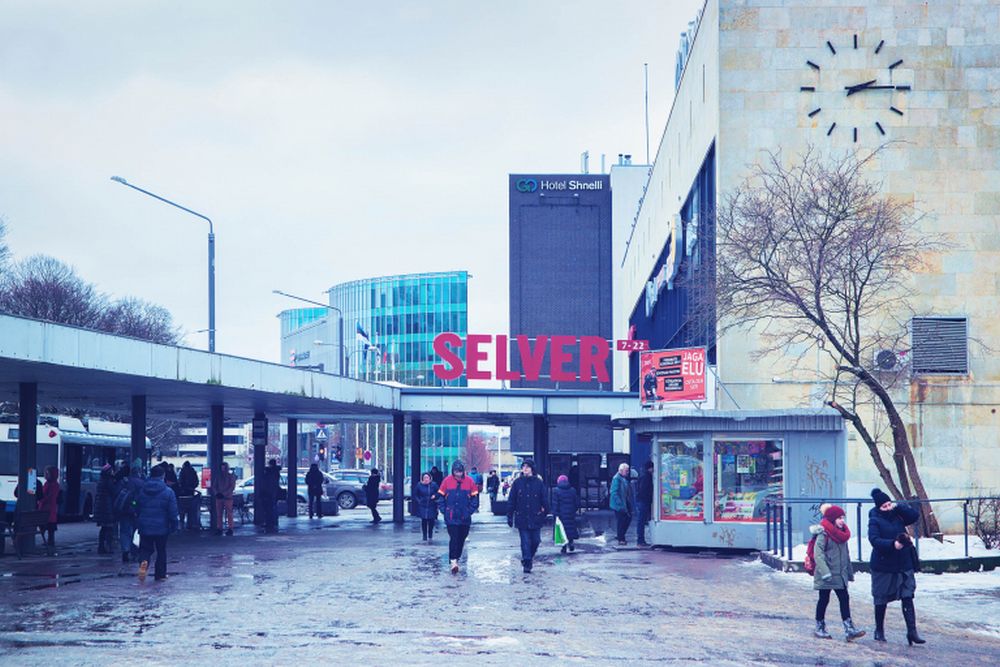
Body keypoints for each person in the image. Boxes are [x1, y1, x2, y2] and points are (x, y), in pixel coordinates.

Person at [868, 488, 924, 645]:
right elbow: (874, 540)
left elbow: (914, 516)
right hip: (884, 565)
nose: (887, 508)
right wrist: (893, 544)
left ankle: (912, 632)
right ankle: (879, 630)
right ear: (878, 508)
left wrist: (898, 506)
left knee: (907, 595)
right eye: (884, 506)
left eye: (888, 504)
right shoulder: (874, 520)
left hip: (903, 563)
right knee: (881, 599)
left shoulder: (897, 514)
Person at [810, 505, 865, 641]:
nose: (842, 521)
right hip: (826, 574)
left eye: (843, 518)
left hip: (840, 573)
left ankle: (849, 628)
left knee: (844, 598)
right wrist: (825, 572)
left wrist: (849, 572)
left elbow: (845, 555)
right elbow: (818, 554)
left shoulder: (842, 534)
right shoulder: (823, 533)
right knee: (824, 599)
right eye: (839, 518)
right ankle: (820, 626)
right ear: (832, 519)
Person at [435, 461, 479, 574]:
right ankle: (453, 560)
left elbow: (475, 497)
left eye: (460, 472)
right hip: (451, 515)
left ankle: (456, 558)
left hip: (465, 516)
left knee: (462, 538)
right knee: (454, 538)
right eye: (456, 472)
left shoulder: (470, 481)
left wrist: (469, 511)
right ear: (453, 471)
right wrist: (444, 510)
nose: (458, 474)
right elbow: (440, 496)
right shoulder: (447, 481)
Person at [135, 465, 178, 581]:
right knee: (161, 550)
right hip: (162, 527)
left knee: (145, 549)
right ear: (163, 476)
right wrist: (174, 525)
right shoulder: (168, 492)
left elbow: (136, 505)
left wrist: (138, 519)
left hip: (144, 526)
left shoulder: (142, 490)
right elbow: (173, 512)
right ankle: (160, 575)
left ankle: (144, 562)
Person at [507, 459, 548, 573]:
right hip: (522, 517)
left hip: (535, 517)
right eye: (523, 466)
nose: (525, 469)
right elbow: (512, 500)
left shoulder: (538, 483)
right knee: (525, 541)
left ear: (532, 469)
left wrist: (545, 512)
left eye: (527, 467)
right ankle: (527, 562)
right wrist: (509, 515)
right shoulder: (517, 483)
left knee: (536, 540)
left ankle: (528, 557)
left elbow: (544, 498)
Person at [114, 464, 143, 563]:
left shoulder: (124, 482)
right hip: (135, 511)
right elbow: (141, 499)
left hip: (124, 510)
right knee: (136, 532)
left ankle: (125, 551)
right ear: (139, 472)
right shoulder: (141, 483)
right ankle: (134, 552)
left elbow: (117, 494)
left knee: (124, 531)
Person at [550, 474, 579, 555]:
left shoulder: (556, 491)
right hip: (570, 513)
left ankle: (564, 547)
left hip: (561, 514)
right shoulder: (572, 490)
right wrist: (574, 510)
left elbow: (555, 504)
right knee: (570, 528)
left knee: (562, 530)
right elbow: (576, 502)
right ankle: (571, 542)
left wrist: (555, 513)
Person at [609, 462, 634, 546]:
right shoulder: (617, 479)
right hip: (619, 504)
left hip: (624, 502)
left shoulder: (622, 478)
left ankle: (621, 535)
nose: (627, 472)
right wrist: (619, 503)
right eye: (626, 471)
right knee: (622, 521)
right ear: (621, 470)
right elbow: (614, 492)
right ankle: (621, 538)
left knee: (626, 519)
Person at [37, 466, 60, 556]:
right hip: (51, 508)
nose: (46, 475)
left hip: (45, 507)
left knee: (45, 524)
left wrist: (41, 501)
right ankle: (50, 541)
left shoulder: (48, 485)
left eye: (47, 473)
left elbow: (46, 496)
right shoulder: (55, 485)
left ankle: (48, 541)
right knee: (51, 526)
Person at [94, 464, 116, 554]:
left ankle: (101, 546)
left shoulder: (101, 481)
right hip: (108, 507)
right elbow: (114, 491)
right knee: (109, 528)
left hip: (101, 507)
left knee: (104, 528)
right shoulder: (109, 481)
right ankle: (108, 547)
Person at [413, 472, 439, 541]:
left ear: (430, 478)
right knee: (424, 520)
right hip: (423, 505)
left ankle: (430, 534)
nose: (426, 479)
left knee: (431, 520)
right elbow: (415, 494)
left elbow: (439, 492)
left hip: (431, 505)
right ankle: (424, 535)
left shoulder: (434, 485)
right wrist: (419, 501)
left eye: (427, 477)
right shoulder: (419, 485)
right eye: (425, 478)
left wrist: (435, 496)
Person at [214, 462, 236, 536]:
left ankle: (230, 528)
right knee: (219, 514)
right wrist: (217, 493)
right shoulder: (219, 476)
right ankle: (219, 528)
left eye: (224, 468)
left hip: (227, 498)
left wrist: (221, 494)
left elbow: (232, 487)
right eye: (222, 468)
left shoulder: (230, 476)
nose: (223, 469)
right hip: (221, 497)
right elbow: (214, 486)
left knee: (229, 514)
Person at [636, 460, 654, 547]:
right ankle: (640, 540)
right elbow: (644, 490)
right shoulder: (647, 477)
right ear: (650, 468)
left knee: (642, 521)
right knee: (641, 521)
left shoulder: (642, 475)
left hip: (642, 501)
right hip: (644, 502)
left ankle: (641, 540)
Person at [261, 459, 281, 533]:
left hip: (269, 493)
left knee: (269, 508)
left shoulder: (269, 473)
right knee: (274, 507)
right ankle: (274, 521)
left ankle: (270, 522)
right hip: (274, 492)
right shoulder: (276, 472)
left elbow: (267, 484)